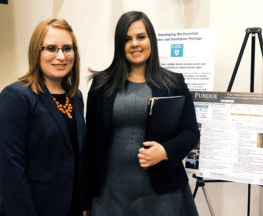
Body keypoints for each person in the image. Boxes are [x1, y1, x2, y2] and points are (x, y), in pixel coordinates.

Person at [86, 11, 200, 216]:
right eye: (127, 39)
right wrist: (84, 199)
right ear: (119, 45)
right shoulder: (101, 84)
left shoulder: (173, 83)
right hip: (110, 193)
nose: (135, 44)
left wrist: (165, 151)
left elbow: (191, 133)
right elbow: (91, 144)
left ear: (151, 40)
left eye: (141, 37)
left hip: (161, 194)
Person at [0, 18, 89, 216]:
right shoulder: (16, 96)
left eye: (67, 48)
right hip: (36, 208)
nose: (61, 56)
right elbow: (10, 170)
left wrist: (84, 203)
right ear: (36, 51)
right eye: (51, 48)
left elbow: (78, 156)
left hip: (72, 207)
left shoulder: (75, 97)